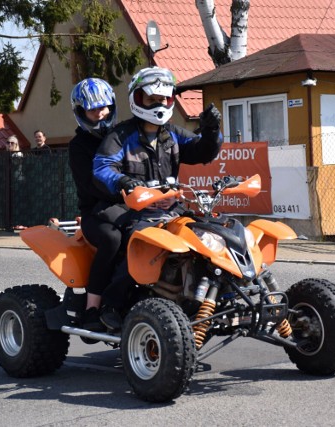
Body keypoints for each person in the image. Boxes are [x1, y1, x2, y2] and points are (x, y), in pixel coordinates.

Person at [93, 66, 223, 329]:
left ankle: (207, 297)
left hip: (171, 210)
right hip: (135, 211)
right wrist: (124, 181)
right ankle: (112, 305)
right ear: (137, 99)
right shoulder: (121, 135)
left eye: (163, 99)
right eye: (151, 99)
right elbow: (102, 166)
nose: (158, 104)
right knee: (140, 247)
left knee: (208, 238)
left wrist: (211, 131)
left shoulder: (173, 134)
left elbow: (203, 152)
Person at [68, 77, 122, 331]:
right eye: (93, 109)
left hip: (131, 206)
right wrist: (124, 188)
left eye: (104, 107)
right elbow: (90, 186)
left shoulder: (123, 135)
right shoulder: (78, 146)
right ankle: (94, 307)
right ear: (81, 112)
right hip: (94, 213)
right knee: (113, 239)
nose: (101, 114)